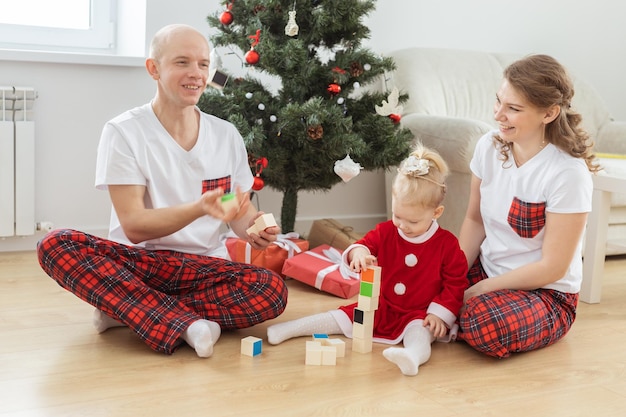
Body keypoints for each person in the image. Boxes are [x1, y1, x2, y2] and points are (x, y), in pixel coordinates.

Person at [36, 24, 288, 358]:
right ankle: (188, 322)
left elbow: (236, 208)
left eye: (202, 63)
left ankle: (130, 311)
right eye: (182, 62)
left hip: (204, 268)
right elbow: (135, 226)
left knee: (271, 290)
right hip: (140, 263)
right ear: (154, 68)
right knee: (55, 244)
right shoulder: (123, 132)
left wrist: (256, 229)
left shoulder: (226, 136)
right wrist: (199, 208)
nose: (196, 74)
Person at [267, 144, 468, 376]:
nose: (402, 225)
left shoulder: (447, 244)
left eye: (412, 222)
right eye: (397, 216)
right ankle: (290, 328)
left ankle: (412, 357)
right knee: (341, 316)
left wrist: (438, 314)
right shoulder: (386, 231)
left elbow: (456, 283)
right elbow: (363, 245)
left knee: (421, 334)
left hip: (418, 313)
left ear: (436, 213)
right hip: (380, 307)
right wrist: (358, 253)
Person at [457, 54, 599, 358]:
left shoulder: (567, 173)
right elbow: (474, 220)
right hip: (488, 270)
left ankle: (452, 320)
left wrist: (480, 289)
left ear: (548, 113)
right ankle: (448, 317)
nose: (498, 115)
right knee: (413, 279)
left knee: (481, 321)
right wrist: (451, 277)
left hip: (546, 294)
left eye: (513, 109)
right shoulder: (488, 146)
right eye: (499, 102)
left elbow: (553, 267)